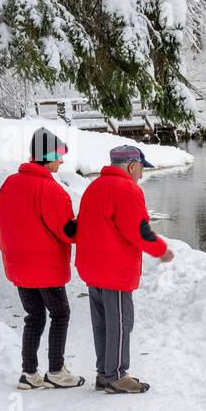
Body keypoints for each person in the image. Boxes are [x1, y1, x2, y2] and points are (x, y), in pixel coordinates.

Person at [0, 128, 86, 389]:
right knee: (60, 313)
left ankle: (29, 373)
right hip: (45, 267)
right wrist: (86, 221)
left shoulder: (10, 184)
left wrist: (10, 251)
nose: (62, 161)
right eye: (60, 156)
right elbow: (67, 232)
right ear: (49, 154)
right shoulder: (50, 189)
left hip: (18, 266)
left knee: (34, 315)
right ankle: (56, 371)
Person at [75, 145, 174, 394]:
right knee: (120, 323)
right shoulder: (127, 189)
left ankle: (104, 373)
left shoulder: (94, 187)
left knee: (103, 323)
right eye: (141, 168)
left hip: (92, 267)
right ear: (131, 166)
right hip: (114, 269)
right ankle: (117, 375)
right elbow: (137, 230)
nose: (141, 174)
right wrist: (161, 250)